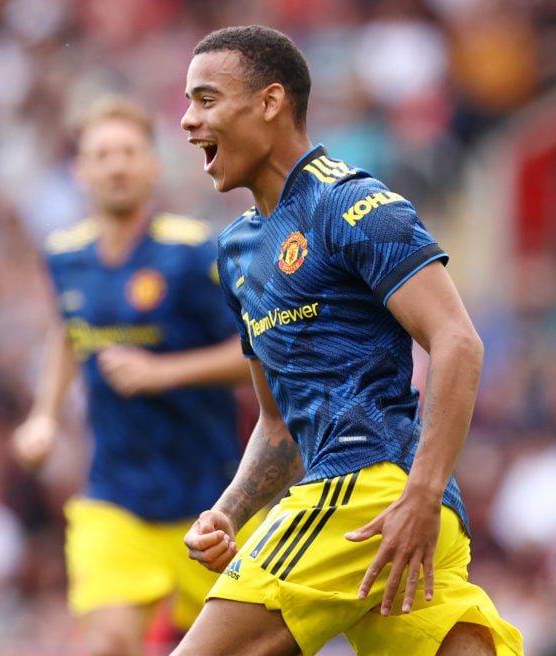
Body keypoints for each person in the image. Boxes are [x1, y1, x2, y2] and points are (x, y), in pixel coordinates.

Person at [174, 25, 524, 656]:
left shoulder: (353, 203)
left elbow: (457, 342)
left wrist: (420, 492)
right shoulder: (237, 250)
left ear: (270, 103)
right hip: (391, 517)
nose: (187, 120)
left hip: (366, 490)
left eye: (206, 100)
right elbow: (279, 427)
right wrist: (230, 512)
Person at [11, 95, 253, 655]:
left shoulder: (193, 253)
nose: (116, 165)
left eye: (128, 152)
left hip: (212, 501)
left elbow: (254, 354)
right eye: (102, 154)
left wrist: (161, 372)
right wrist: (43, 417)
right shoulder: (64, 256)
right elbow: (68, 332)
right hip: (115, 497)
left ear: (154, 166)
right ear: (81, 171)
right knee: (107, 644)